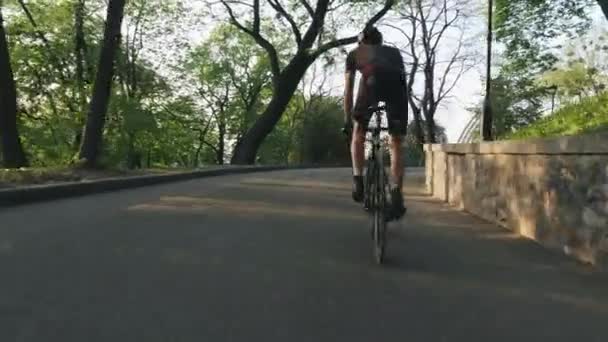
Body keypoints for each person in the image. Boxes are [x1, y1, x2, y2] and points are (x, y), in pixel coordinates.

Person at [343, 26, 407, 220]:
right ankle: (396, 193)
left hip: (371, 85)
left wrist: (348, 119)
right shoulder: (394, 52)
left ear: (361, 42)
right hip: (396, 89)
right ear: (380, 41)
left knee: (358, 132)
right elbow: (402, 80)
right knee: (396, 141)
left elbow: (348, 90)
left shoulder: (355, 53)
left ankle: (358, 180)